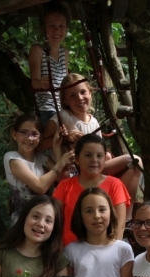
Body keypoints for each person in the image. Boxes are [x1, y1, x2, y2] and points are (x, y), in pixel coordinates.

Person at [42, 73, 141, 205]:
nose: (80, 98)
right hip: (72, 171)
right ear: (65, 100)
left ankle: (122, 212)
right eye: (72, 95)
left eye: (83, 92)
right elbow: (39, 144)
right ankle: (106, 202)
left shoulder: (93, 122)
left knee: (135, 162)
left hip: (93, 167)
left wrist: (105, 154)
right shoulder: (62, 117)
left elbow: (99, 148)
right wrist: (66, 137)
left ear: (90, 93)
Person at [65, 187, 134, 277]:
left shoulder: (123, 249)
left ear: (111, 213)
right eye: (89, 211)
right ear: (80, 216)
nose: (96, 216)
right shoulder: (71, 250)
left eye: (102, 209)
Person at [52, 134, 131, 245]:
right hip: (70, 256)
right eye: (88, 155)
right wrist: (61, 256)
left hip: (105, 254)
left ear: (105, 159)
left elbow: (119, 226)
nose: (94, 160)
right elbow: (56, 224)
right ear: (77, 159)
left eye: (99, 156)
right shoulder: (64, 186)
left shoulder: (115, 185)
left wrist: (111, 253)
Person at [3, 113, 73, 224]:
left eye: (34, 134)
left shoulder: (41, 158)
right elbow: (40, 186)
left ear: (40, 138)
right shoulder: (11, 158)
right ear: (14, 134)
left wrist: (56, 147)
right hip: (22, 221)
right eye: (24, 132)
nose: (29, 138)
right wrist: (61, 162)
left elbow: (62, 179)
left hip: (43, 219)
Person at [28, 1, 70, 126]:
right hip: (47, 109)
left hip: (64, 108)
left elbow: (66, 83)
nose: (57, 30)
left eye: (61, 26)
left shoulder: (65, 53)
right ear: (43, 28)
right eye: (51, 26)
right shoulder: (38, 50)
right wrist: (43, 83)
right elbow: (34, 82)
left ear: (66, 29)